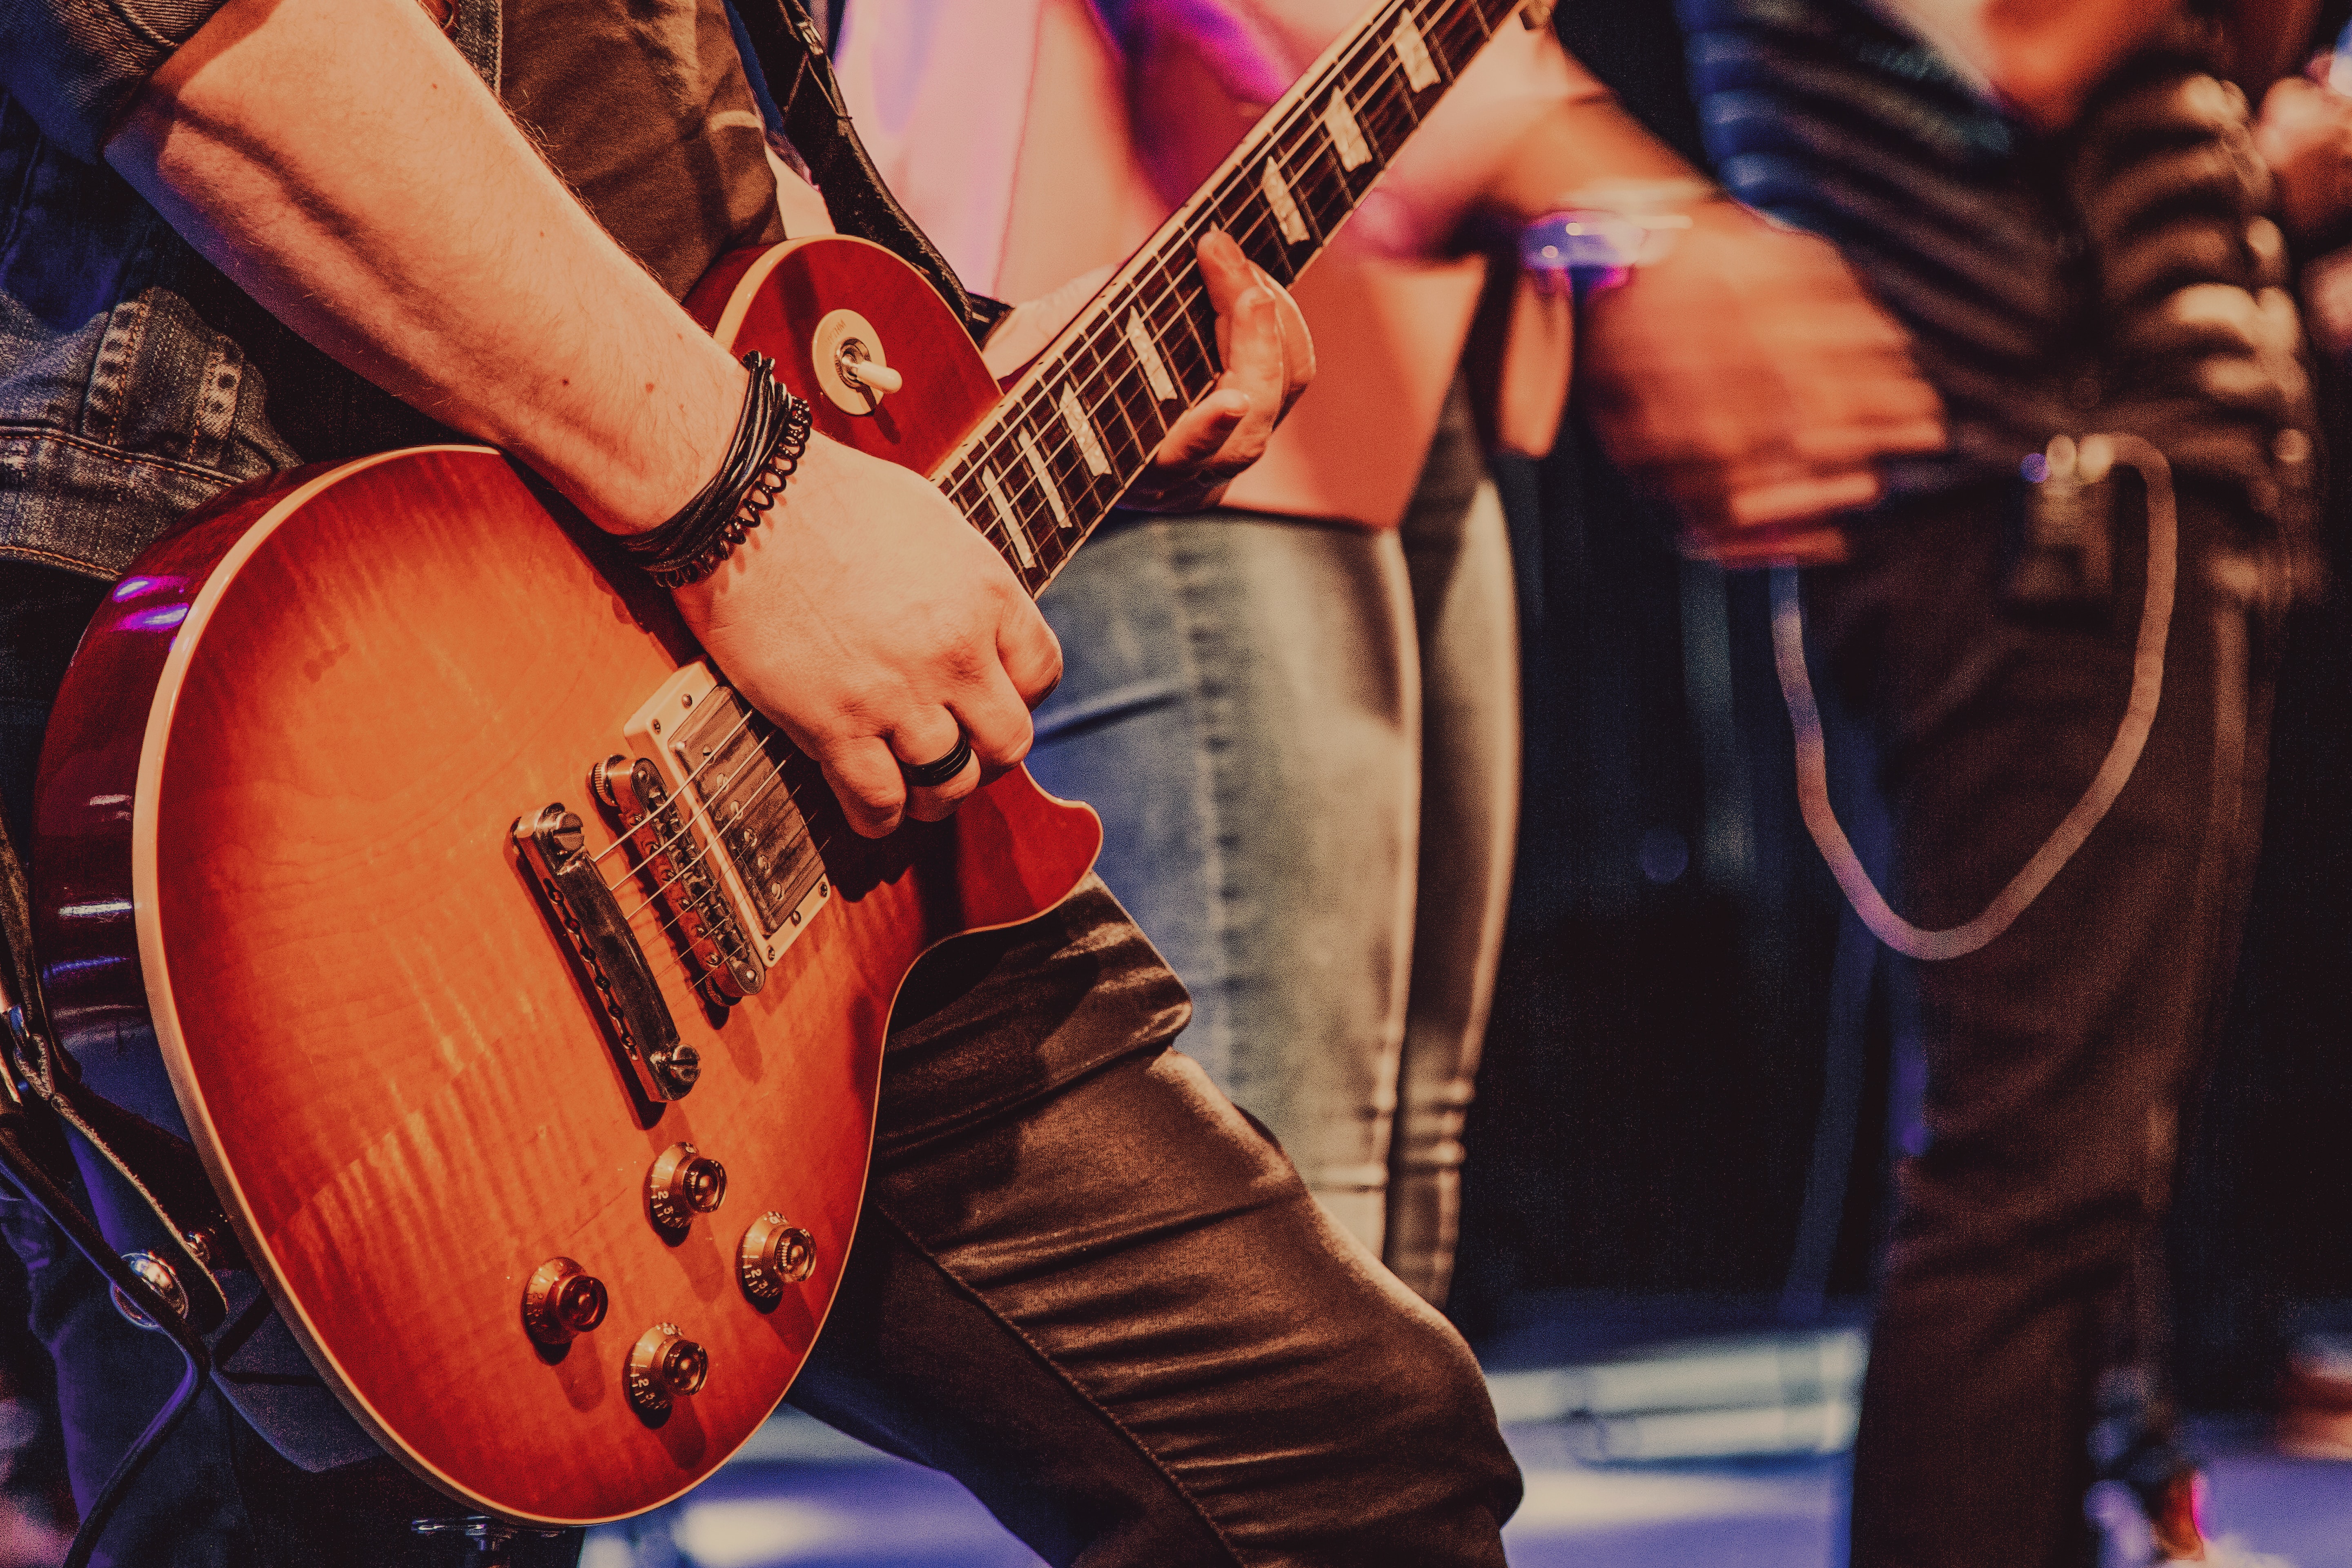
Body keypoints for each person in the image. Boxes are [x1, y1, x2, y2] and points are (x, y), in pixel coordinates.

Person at [0, 1, 1523, 1564]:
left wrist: (955, 397)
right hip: (297, 691)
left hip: (716, 725)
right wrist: (748, 499)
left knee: (1350, 1459)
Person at [833, 0, 1947, 1304]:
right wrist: (1604, 194)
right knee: (1275, 1246)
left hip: (1392, 311)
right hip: (1145, 314)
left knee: (1384, 1236)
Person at [1628, 0, 2336, 1559]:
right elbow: (2030, 38)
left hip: (2102, 479)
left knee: (2072, 1176)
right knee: (2030, 1184)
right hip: (2041, 486)